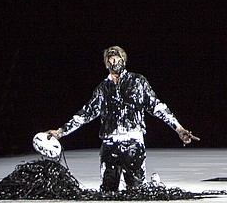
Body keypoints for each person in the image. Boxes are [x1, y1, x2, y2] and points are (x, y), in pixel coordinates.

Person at [46, 46, 199, 191]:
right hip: (109, 144)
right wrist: (60, 132)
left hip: (133, 143)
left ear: (124, 61)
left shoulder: (138, 82)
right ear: (106, 64)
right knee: (108, 191)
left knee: (137, 191)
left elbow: (158, 107)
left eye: (117, 58)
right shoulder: (102, 89)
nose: (114, 62)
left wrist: (178, 128)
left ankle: (153, 185)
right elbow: (85, 114)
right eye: (110, 60)